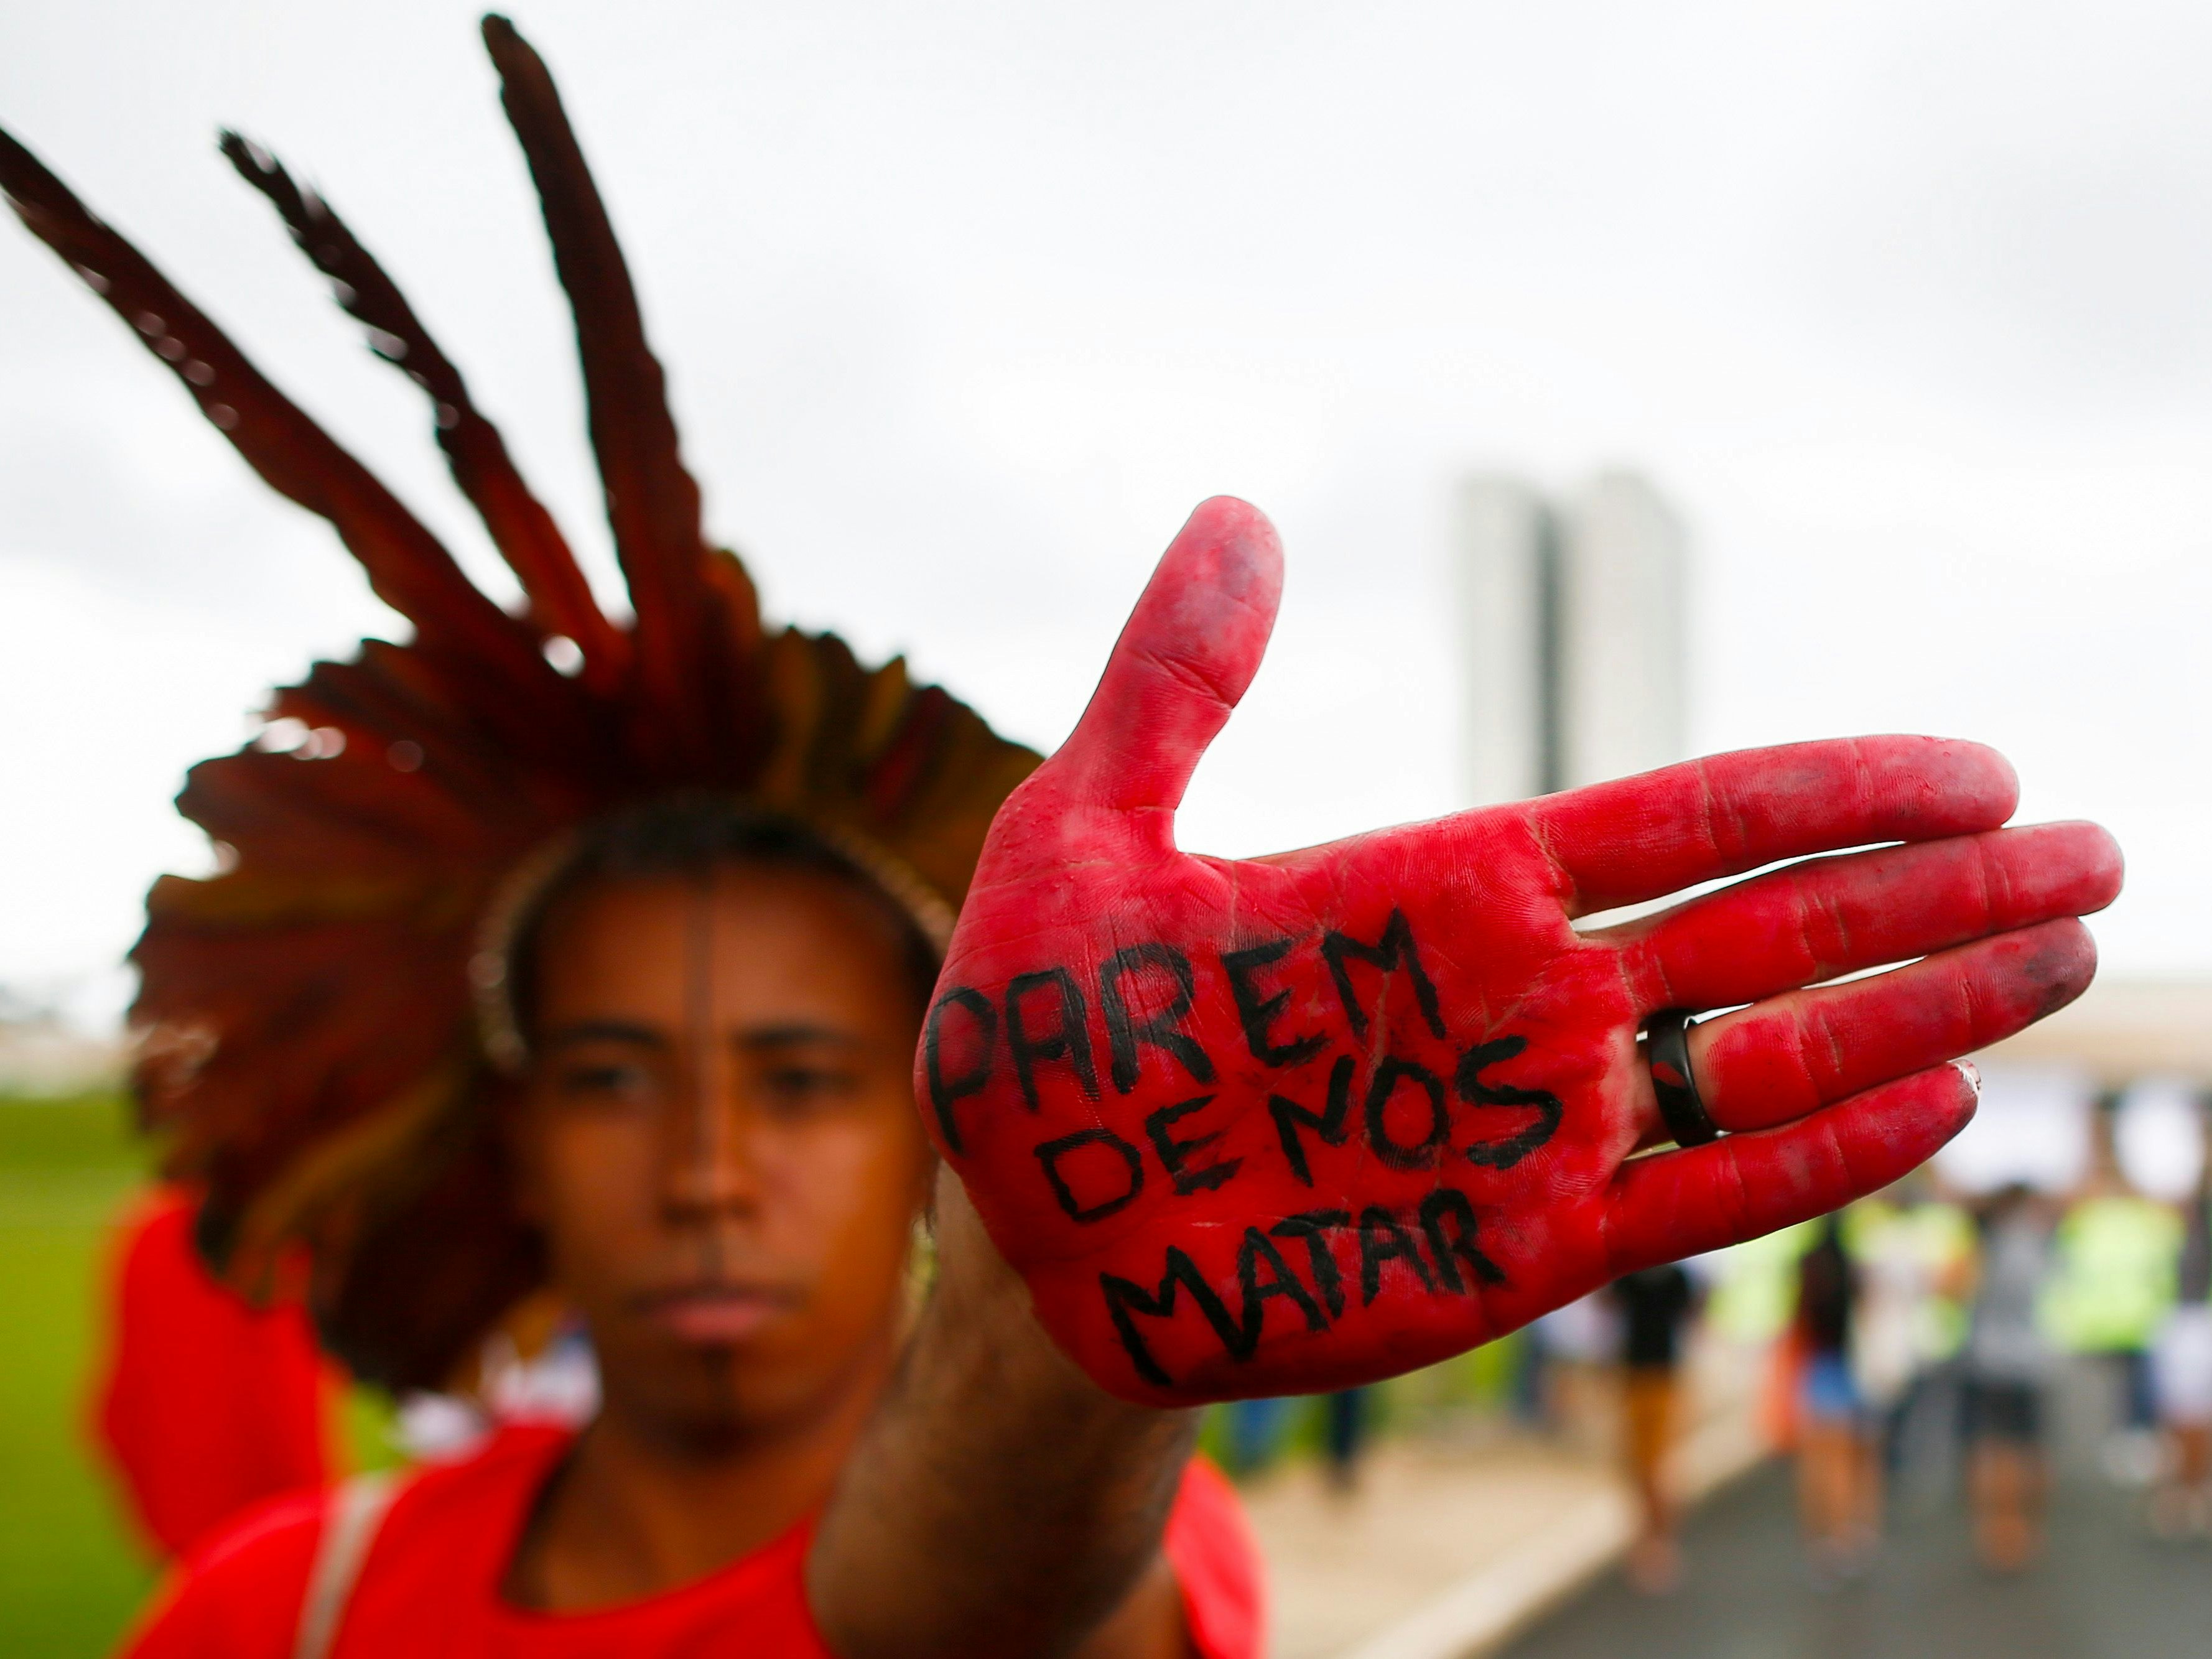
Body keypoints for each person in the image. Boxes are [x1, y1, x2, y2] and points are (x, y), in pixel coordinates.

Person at [0, 16, 2123, 1657]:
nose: (710, 1162)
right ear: (507, 1128)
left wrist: (1044, 1369)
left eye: (806, 1074)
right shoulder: (276, 1603)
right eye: (613, 1075)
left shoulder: (1129, 1525)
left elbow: (965, 1598)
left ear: (936, 1108)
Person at [1962, 1184, 2056, 1573]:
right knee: (2028, 1448)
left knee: (1993, 1448)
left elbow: (1963, 1291)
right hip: (2030, 1361)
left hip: (1989, 1359)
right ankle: (2023, 1533)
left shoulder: (1992, 1245)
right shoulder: (2040, 1246)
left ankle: (1997, 1534)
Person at [1606, 1262, 1701, 1592]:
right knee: (1643, 1463)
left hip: (1656, 1375)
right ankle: (1653, 1539)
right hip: (1644, 1374)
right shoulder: (1666, 1277)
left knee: (1654, 1463)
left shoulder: (1654, 1276)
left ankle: (1658, 1540)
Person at [1793, 1214, 1873, 1580]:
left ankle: (1823, 1537)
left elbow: (1800, 1319)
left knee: (1818, 1462)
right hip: (1848, 1367)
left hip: (1817, 1368)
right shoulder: (1853, 1265)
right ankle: (1847, 1535)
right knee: (1848, 1460)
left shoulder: (1807, 1265)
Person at [2149, 1131, 2212, 1538]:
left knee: (2193, 1414)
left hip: (2196, 1323)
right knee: (2181, 1414)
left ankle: (2192, 1490)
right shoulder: (2184, 1223)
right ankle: (2186, 1489)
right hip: (2182, 1321)